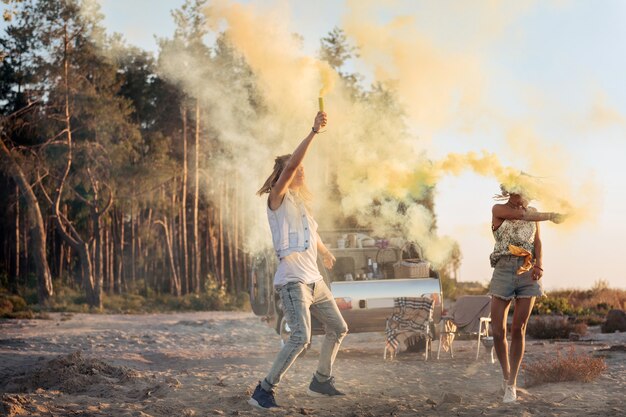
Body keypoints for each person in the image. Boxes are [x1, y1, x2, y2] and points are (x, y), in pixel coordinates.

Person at [249, 111, 349, 410]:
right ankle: (264, 390)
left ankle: (321, 380)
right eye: (296, 168)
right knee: (301, 338)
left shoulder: (302, 204)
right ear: (284, 175)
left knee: (339, 328)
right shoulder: (276, 200)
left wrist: (326, 252)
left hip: (315, 282)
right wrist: (314, 132)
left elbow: (313, 235)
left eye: (302, 168)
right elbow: (291, 164)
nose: (301, 171)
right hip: (293, 282)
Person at [489, 185, 565, 403]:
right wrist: (551, 215)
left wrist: (539, 265)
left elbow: (537, 242)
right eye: (518, 191)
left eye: (524, 191)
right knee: (497, 330)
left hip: (527, 270)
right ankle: (505, 377)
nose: (522, 196)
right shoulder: (499, 209)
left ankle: (511, 384)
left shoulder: (533, 214)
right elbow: (520, 215)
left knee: (518, 328)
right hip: (503, 269)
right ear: (511, 192)